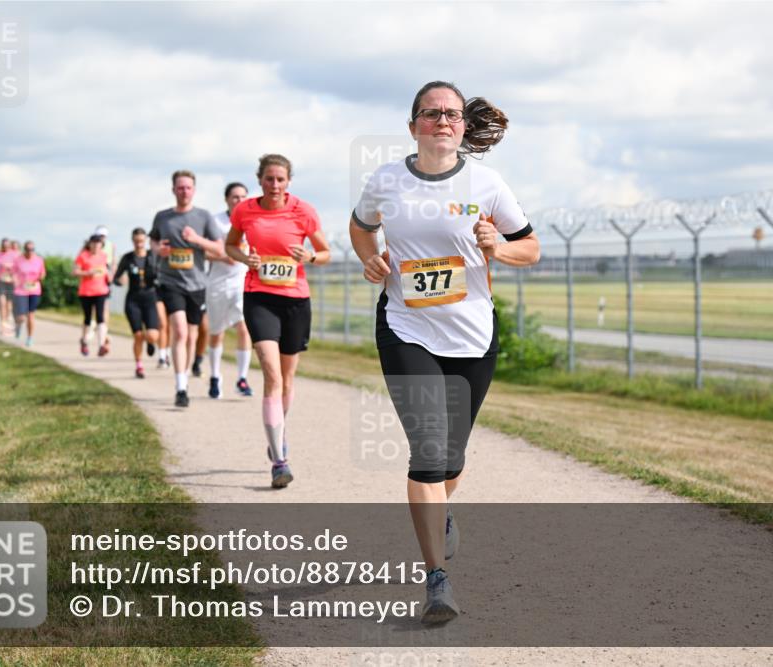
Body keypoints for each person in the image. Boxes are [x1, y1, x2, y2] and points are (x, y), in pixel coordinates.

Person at [349, 81, 540, 625]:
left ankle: (441, 507)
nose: (442, 121)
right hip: (406, 328)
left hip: (472, 336)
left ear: (462, 126)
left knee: (451, 460)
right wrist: (371, 260)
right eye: (431, 113)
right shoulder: (385, 180)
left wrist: (498, 247)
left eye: (451, 114)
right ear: (413, 126)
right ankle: (437, 579)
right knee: (428, 454)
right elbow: (361, 229)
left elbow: (531, 247)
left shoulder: (488, 183)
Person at [226, 154, 331, 488]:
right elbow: (230, 246)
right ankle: (280, 461)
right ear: (260, 180)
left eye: (280, 180)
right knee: (271, 374)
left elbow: (325, 253)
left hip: (296, 299)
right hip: (259, 297)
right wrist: (246, 257)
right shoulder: (244, 211)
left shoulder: (304, 211)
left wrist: (310, 256)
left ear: (288, 182)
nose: (274, 185)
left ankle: (277, 435)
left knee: (287, 379)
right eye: (269, 179)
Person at [149, 170, 225, 407]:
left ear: (194, 190)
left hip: (197, 284)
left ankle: (186, 375)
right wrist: (157, 249)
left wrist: (196, 240)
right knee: (179, 331)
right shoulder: (162, 217)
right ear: (173, 190)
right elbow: (153, 241)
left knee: (192, 335)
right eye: (180, 187)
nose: (184, 191)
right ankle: (180, 387)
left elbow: (220, 249)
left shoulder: (203, 217)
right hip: (171, 282)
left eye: (188, 187)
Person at [205, 181, 254, 399]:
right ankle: (215, 376)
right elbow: (204, 252)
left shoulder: (252, 221)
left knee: (245, 328)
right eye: (235, 197)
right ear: (226, 199)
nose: (239, 201)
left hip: (241, 282)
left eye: (243, 197)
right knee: (217, 332)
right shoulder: (216, 222)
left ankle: (242, 378)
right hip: (217, 282)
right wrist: (227, 255)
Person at [114, 228, 161, 378]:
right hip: (133, 299)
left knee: (152, 335)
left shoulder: (153, 256)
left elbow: (162, 274)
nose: (139, 244)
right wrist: (120, 281)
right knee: (138, 335)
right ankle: (139, 366)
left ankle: (151, 342)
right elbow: (116, 277)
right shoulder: (127, 258)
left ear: (145, 240)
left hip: (150, 298)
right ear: (132, 241)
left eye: (141, 241)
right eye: (136, 241)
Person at [74, 235, 111, 356]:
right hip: (86, 291)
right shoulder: (83, 256)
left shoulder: (104, 256)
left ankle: (101, 345)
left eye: (98, 244)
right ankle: (84, 341)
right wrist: (87, 273)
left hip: (101, 291)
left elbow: (106, 270)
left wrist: (109, 277)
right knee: (88, 318)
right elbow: (75, 271)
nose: (96, 246)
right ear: (90, 244)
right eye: (94, 243)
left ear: (101, 245)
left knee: (101, 317)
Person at [12, 240, 46, 346]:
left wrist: (40, 278)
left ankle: (30, 337)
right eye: (28, 249)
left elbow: (43, 273)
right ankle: (18, 326)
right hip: (21, 290)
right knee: (21, 317)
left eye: (32, 249)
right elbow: (13, 273)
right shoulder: (18, 260)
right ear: (24, 249)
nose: (30, 251)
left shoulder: (39, 260)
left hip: (34, 290)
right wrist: (15, 281)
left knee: (31, 315)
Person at [94, 225, 116, 349]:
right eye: (100, 235)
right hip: (93, 279)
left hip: (105, 276)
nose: (101, 238)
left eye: (103, 236)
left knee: (104, 306)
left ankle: (104, 329)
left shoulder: (111, 245)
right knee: (95, 308)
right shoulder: (91, 245)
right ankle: (98, 326)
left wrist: (112, 274)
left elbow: (112, 262)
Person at [0, 238, 18, 333]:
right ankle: (2, 322)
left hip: (11, 282)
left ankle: (7, 320)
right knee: (2, 302)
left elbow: (18, 268)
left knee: (9, 304)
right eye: (4, 246)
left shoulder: (15, 255)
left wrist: (10, 267)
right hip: (1, 281)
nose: (5, 247)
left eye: (7, 246)